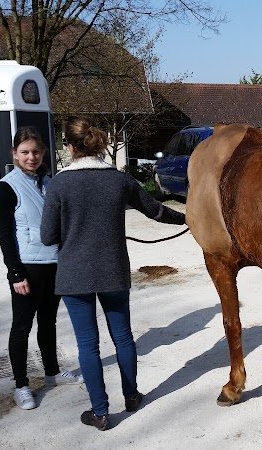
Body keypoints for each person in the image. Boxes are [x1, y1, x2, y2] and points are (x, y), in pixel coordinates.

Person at [40, 116, 185, 431]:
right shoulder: (119, 180)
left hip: (75, 275)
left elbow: (47, 236)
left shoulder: (59, 183)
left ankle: (101, 412)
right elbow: (156, 210)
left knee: (88, 345)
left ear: (69, 146)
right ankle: (131, 396)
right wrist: (189, 219)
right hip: (113, 270)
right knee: (123, 337)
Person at [0, 126, 84, 411]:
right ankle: (21, 385)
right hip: (28, 268)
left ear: (43, 152)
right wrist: (15, 272)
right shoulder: (7, 187)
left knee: (48, 322)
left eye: (35, 151)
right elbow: (5, 234)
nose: (31, 157)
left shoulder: (48, 182)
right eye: (25, 152)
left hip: (53, 264)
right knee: (22, 327)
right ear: (14, 154)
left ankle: (52, 372)